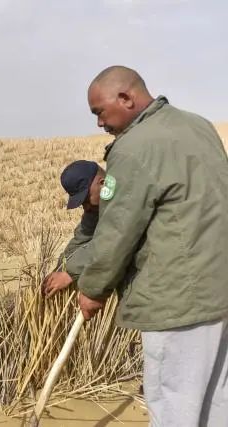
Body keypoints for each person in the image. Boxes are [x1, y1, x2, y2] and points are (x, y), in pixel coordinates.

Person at [77, 65, 228, 426]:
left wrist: (93, 287)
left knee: (174, 400)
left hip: (174, 299)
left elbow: (117, 230)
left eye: (100, 112)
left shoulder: (133, 149)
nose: (100, 123)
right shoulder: (198, 126)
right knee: (216, 396)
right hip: (218, 289)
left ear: (126, 98)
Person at [42, 160, 105, 297]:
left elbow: (112, 241)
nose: (86, 207)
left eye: (86, 200)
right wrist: (60, 268)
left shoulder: (127, 200)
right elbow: (82, 237)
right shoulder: (96, 206)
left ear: (102, 183)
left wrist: (69, 273)